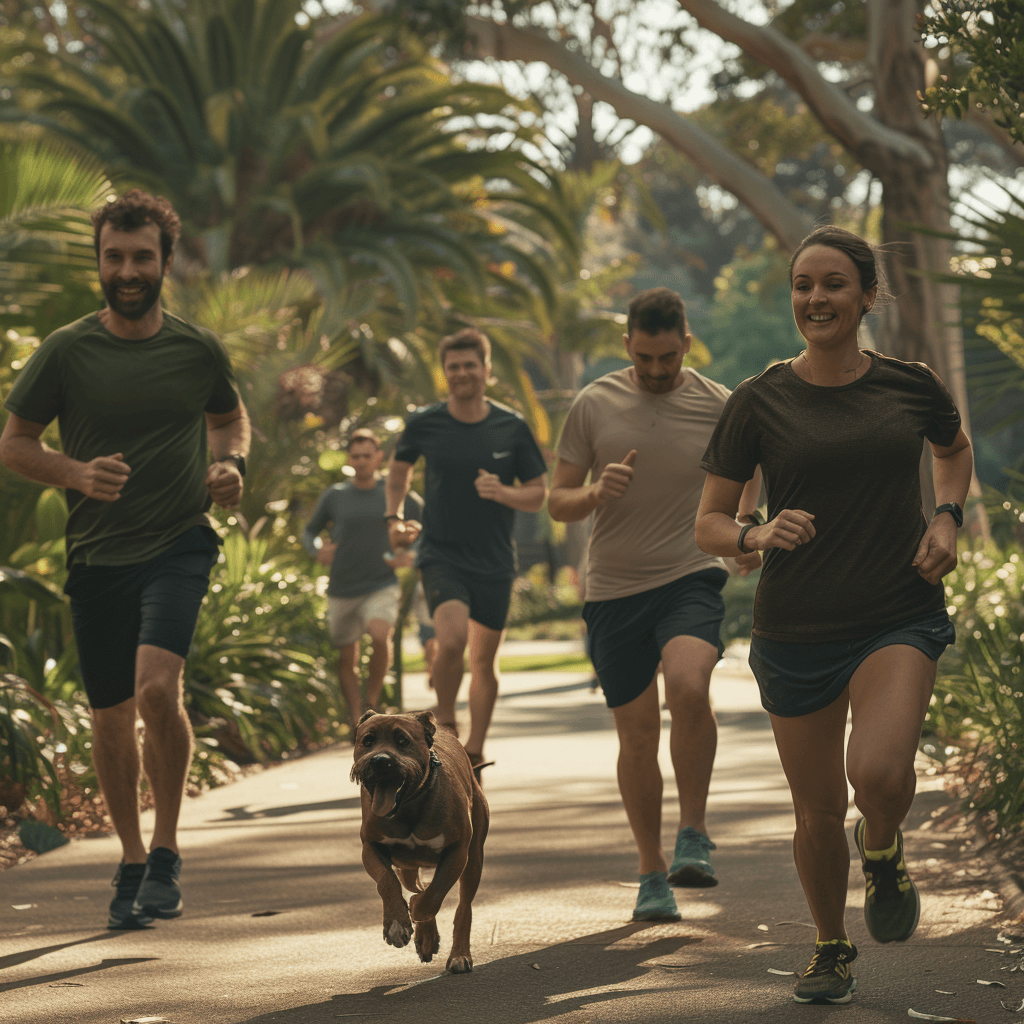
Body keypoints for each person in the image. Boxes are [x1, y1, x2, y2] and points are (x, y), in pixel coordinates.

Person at [695, 225, 972, 1005]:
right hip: (796, 628)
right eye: (803, 285)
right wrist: (754, 532)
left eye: (833, 285)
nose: (815, 299)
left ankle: (881, 849)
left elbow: (953, 449)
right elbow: (709, 521)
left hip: (896, 611)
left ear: (866, 296)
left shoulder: (908, 384)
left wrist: (945, 515)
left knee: (877, 774)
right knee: (816, 813)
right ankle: (828, 947)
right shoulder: (758, 399)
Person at [0, 189, 250, 929]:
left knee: (154, 691)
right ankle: (133, 857)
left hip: (180, 539)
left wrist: (231, 464)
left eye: (143, 256)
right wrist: (75, 473)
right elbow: (14, 444)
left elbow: (229, 417)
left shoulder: (195, 347)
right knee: (108, 718)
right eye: (115, 257)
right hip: (97, 555)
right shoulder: (67, 350)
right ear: (99, 263)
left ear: (166, 261)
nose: (129, 269)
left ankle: (168, 849)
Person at [548, 287, 762, 923]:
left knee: (690, 685)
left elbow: (748, 470)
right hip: (612, 590)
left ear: (686, 345)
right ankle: (650, 872)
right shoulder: (594, 404)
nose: (657, 370)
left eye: (668, 358)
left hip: (687, 574)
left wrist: (744, 524)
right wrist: (593, 492)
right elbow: (556, 500)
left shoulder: (718, 404)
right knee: (637, 737)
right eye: (645, 358)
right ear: (628, 348)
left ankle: (692, 832)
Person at [385, 328, 548, 775]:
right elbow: (398, 473)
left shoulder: (510, 426)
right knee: (452, 639)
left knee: (484, 660)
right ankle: (448, 731)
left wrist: (502, 492)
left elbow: (538, 493)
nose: (461, 373)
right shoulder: (425, 423)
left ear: (486, 370)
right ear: (445, 373)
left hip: (494, 558)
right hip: (441, 552)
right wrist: (393, 518)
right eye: (453, 367)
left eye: (469, 365)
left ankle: (475, 749)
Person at [302, 429, 423, 729]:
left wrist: (413, 553)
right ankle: (356, 715)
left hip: (381, 581)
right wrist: (317, 550)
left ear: (378, 457)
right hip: (342, 586)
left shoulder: (393, 491)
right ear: (348, 459)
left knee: (380, 634)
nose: (361, 461)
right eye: (355, 456)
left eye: (367, 455)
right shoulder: (336, 495)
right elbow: (309, 532)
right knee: (347, 656)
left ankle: (372, 705)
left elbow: (427, 524)